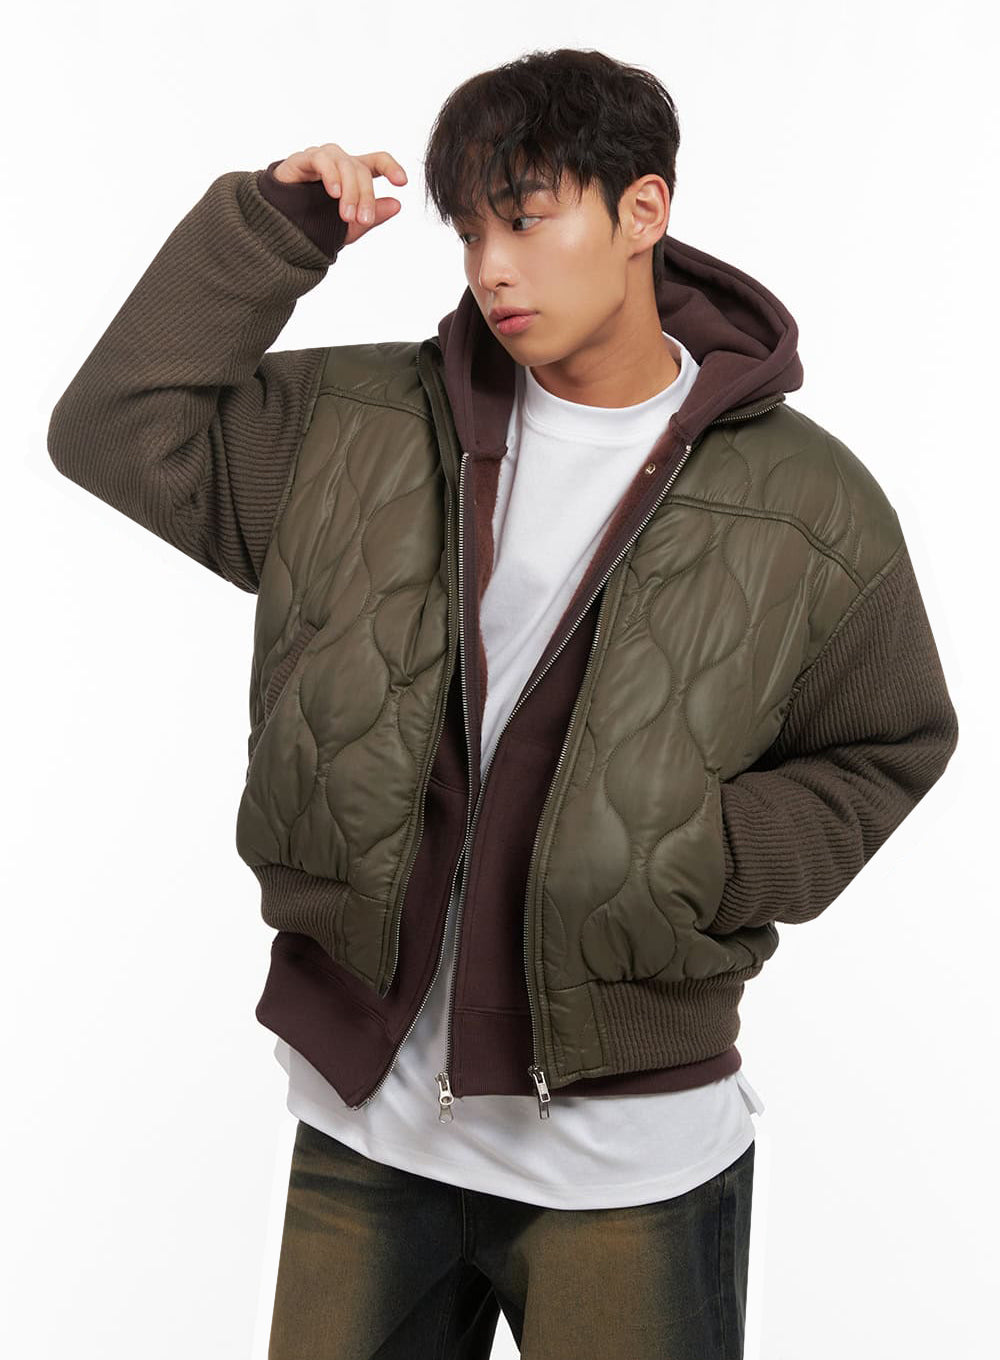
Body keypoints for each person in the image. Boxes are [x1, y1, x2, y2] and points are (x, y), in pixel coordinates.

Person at [47, 45, 959, 1360]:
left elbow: (890, 742)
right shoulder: (356, 427)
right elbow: (116, 428)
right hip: (365, 1132)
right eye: (471, 231)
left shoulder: (807, 504)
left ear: (642, 210)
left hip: (627, 1164)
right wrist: (272, 229)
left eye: (527, 220)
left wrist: (695, 860)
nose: (492, 267)